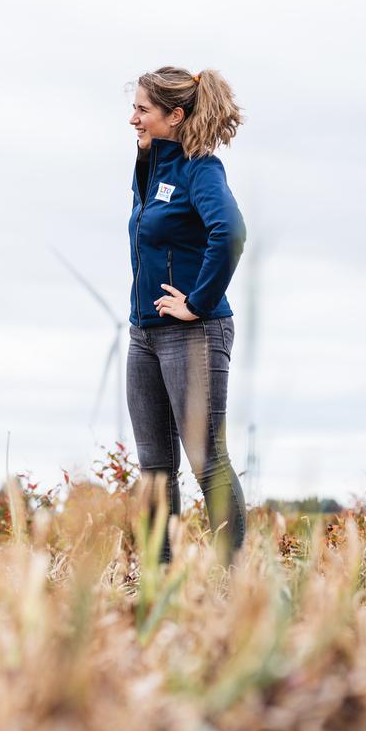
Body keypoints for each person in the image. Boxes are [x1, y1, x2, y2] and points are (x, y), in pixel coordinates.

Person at [127, 66, 247, 560]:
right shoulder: (153, 166)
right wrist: (144, 157)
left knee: (205, 460)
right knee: (154, 467)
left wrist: (196, 303)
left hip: (194, 333)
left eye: (142, 110)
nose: (132, 117)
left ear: (175, 116)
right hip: (144, 334)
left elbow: (231, 233)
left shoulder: (201, 168)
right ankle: (159, 579)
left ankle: (235, 579)